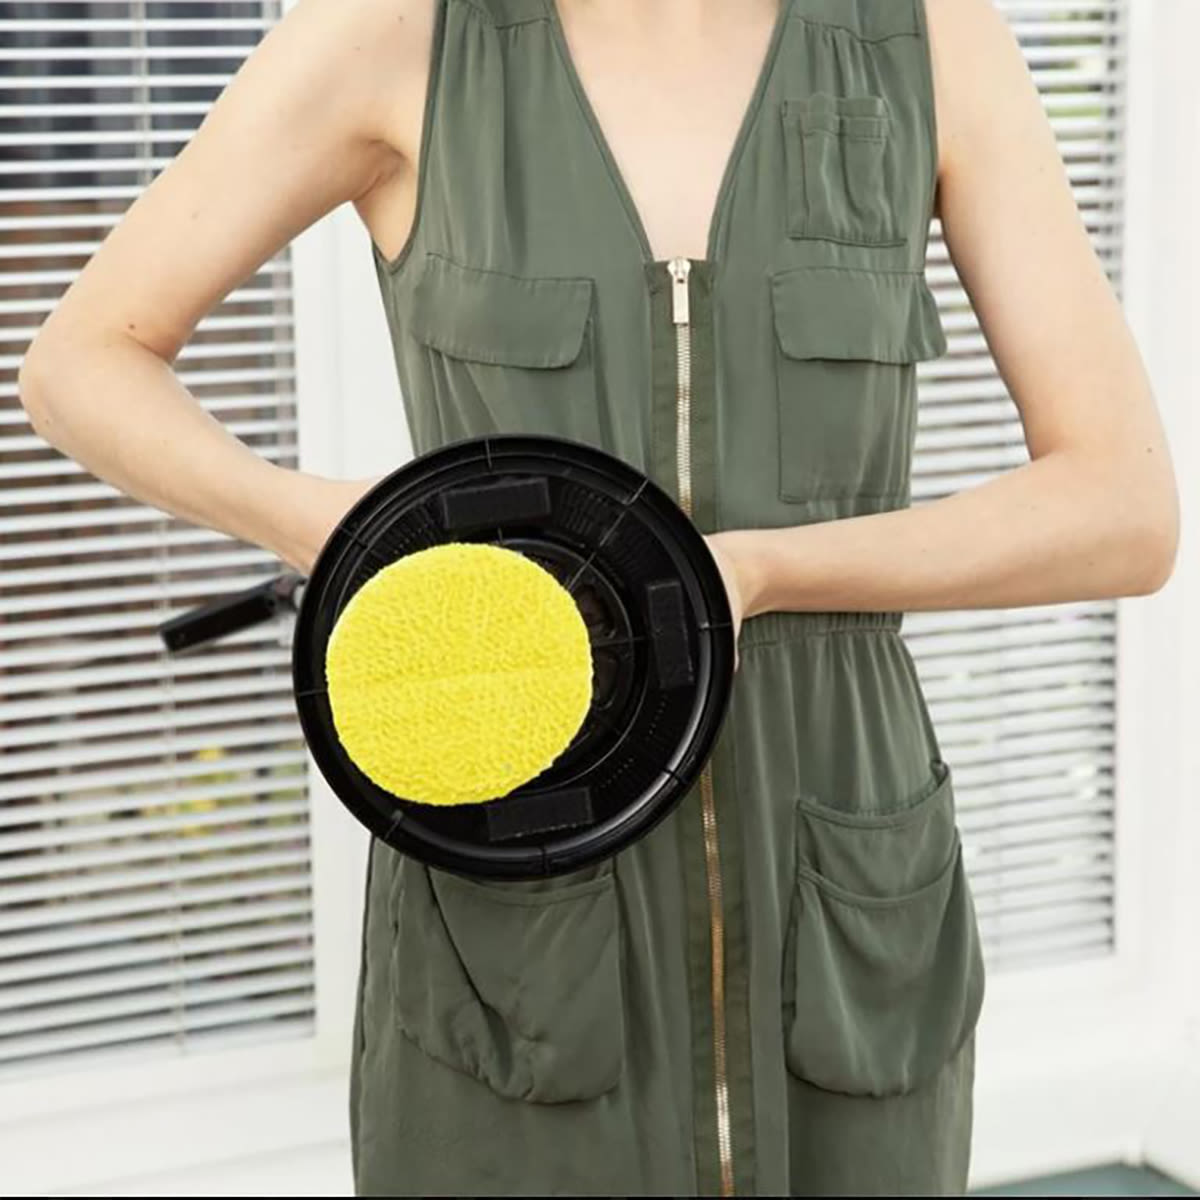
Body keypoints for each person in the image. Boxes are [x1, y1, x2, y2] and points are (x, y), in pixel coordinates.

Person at [18, 0, 1179, 1194]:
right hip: (519, 853)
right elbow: (80, 362)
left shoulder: (927, 38)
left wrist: (761, 571)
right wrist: (334, 523)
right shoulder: (396, 34)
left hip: (844, 872)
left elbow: (1122, 509)